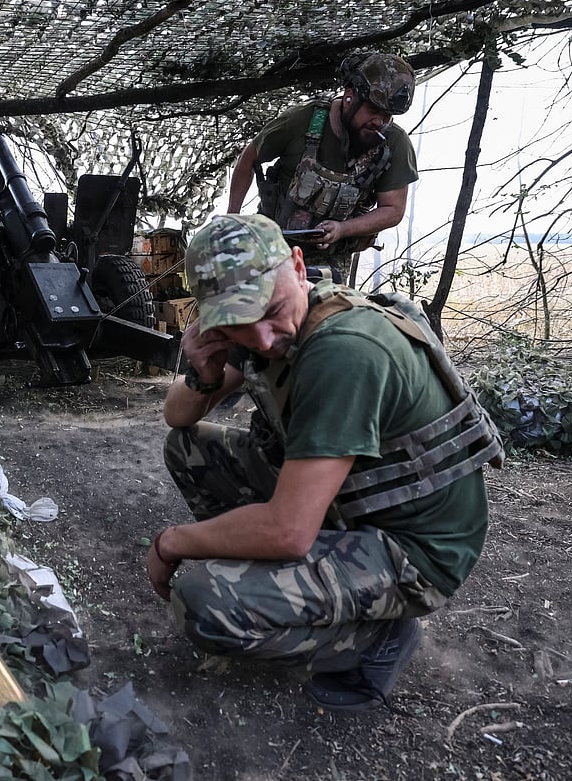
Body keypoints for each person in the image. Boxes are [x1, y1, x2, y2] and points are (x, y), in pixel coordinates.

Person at [147, 213, 502, 712]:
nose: (263, 339)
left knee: (204, 603)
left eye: (270, 311)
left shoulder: (343, 350)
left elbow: (288, 531)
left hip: (415, 549)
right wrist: (204, 375)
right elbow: (177, 416)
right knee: (189, 449)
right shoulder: (275, 318)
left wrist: (171, 541)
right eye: (238, 324)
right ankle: (290, 583)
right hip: (352, 508)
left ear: (298, 265)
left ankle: (376, 638)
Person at [226, 52, 419, 285]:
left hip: (330, 259)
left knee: (325, 306)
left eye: (387, 115)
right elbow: (249, 158)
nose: (379, 122)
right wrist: (232, 220)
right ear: (349, 97)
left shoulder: (394, 144)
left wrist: (343, 229)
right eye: (373, 110)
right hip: (272, 245)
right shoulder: (303, 120)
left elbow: (393, 209)